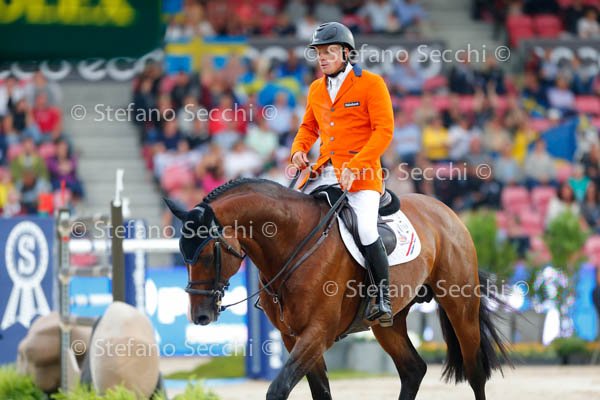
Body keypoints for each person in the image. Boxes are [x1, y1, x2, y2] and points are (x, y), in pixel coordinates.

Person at [290, 22, 394, 325]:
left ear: (347, 53)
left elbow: (384, 131)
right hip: (324, 172)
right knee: (290, 218)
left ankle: (382, 296)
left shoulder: (371, 84)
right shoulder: (316, 89)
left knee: (366, 229)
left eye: (330, 51)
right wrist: (298, 150)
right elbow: (308, 127)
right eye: (319, 52)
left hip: (362, 175)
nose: (322, 58)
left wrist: (356, 166)